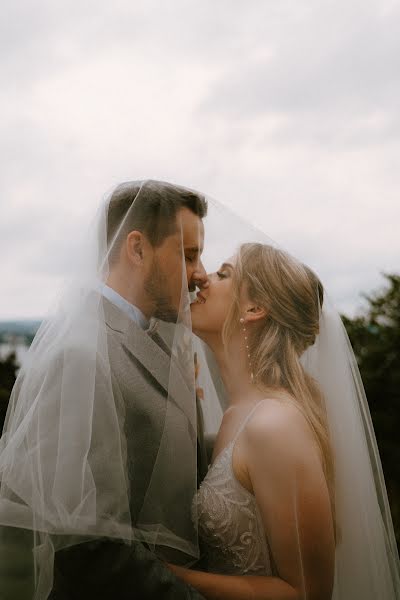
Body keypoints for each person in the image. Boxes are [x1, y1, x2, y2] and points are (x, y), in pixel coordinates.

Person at [0, 180, 210, 600]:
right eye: (189, 255)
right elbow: (90, 547)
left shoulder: (152, 339)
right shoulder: (81, 354)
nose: (201, 274)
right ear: (136, 249)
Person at [168, 243, 400, 600]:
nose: (201, 278)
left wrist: (161, 576)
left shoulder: (275, 425)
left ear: (255, 308)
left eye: (223, 274)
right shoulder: (235, 416)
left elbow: (306, 592)